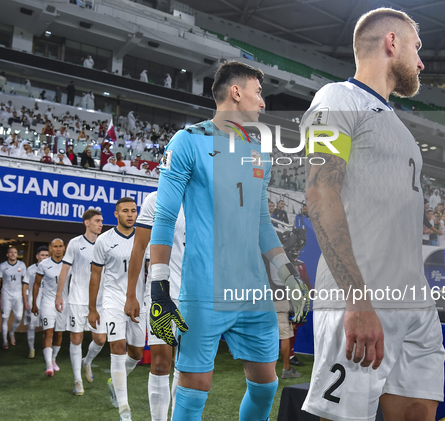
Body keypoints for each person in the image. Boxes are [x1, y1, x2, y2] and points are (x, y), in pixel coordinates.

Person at [301, 8, 443, 421]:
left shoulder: (398, 125)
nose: (421, 62)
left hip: (413, 304)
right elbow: (320, 190)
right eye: (416, 48)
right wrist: (357, 298)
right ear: (391, 42)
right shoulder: (337, 98)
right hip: (362, 299)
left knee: (418, 411)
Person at [149, 61, 309, 420]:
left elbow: (262, 222)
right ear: (236, 92)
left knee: (266, 384)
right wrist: (159, 286)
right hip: (204, 289)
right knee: (194, 389)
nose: (263, 102)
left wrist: (287, 274)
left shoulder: (259, 150)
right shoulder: (188, 141)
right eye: (258, 92)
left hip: (254, 291)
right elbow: (164, 217)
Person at [124, 191, 185, 421]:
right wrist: (132, 294)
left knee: (186, 364)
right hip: (161, 293)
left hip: (195, 293)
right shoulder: (155, 199)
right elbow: (139, 248)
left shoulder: (204, 197)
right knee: (160, 364)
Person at [88, 198, 146, 420]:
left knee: (136, 353)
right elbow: (95, 275)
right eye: (125, 211)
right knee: (118, 348)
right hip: (112, 301)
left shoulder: (144, 239)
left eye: (133, 211)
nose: (130, 215)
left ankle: (115, 382)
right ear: (116, 214)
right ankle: (125, 411)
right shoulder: (104, 240)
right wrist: (93, 308)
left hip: (138, 302)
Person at [55, 209, 106, 395]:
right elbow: (65, 270)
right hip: (77, 299)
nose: (101, 224)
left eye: (101, 221)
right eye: (97, 220)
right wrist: (59, 294)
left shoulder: (105, 243)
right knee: (76, 338)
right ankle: (77, 381)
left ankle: (87, 361)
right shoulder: (75, 244)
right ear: (87, 222)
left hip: (99, 301)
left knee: (100, 339)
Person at [32, 239, 66, 376]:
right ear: (51, 248)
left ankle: (53, 359)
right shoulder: (44, 265)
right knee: (48, 333)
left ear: (64, 248)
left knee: (59, 333)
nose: (58, 249)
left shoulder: (69, 264)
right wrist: (35, 303)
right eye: (55, 246)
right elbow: (36, 284)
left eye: (60, 246)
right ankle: (48, 366)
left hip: (64, 303)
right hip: (47, 302)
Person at [0, 247, 27, 349]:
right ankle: (5, 341)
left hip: (18, 295)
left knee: (18, 318)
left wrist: (25, 295)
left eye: (15, 252)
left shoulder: (22, 265)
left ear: (17, 254)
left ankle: (12, 332)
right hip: (6, 295)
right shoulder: (3, 266)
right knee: (5, 318)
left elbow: (25, 282)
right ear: (7, 255)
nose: (13, 254)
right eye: (11, 253)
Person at [22, 246, 49, 359]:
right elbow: (25, 285)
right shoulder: (31, 269)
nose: (44, 257)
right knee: (32, 326)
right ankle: (31, 349)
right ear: (37, 256)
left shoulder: (52, 268)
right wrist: (25, 300)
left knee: (48, 327)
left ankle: (47, 351)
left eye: (47, 255)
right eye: (42, 255)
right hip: (34, 301)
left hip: (47, 301)